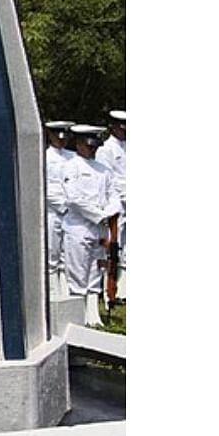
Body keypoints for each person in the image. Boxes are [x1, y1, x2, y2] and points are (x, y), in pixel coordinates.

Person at [61, 124, 123, 327]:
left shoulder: (103, 169)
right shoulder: (71, 166)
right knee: (78, 271)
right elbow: (74, 198)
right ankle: (76, 317)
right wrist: (99, 215)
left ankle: (93, 315)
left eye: (94, 146)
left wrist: (110, 213)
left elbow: (113, 195)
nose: (92, 149)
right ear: (78, 144)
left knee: (96, 270)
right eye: (88, 146)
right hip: (79, 226)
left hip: (100, 228)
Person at [95, 110, 126, 303]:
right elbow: (109, 179)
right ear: (114, 127)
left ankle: (124, 289)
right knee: (113, 246)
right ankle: (107, 288)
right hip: (117, 203)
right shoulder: (106, 150)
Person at [43, 120, 75, 298]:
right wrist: (62, 206)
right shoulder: (45, 157)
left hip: (73, 212)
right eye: (58, 137)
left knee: (68, 254)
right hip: (53, 211)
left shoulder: (72, 157)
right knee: (52, 251)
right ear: (50, 135)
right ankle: (53, 292)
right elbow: (44, 187)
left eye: (64, 137)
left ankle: (67, 291)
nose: (61, 141)